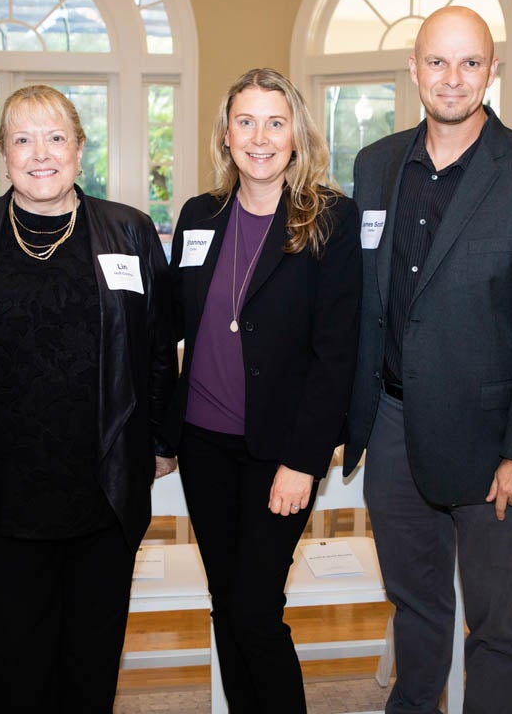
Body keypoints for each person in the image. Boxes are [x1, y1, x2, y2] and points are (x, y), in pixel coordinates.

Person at [344, 5, 512, 713]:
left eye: (470, 62)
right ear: (414, 68)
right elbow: (364, 299)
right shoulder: (375, 164)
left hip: (491, 446)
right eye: (438, 62)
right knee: (415, 612)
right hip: (391, 428)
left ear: (493, 69)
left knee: (496, 626)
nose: (453, 79)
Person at [0, 84, 177, 712]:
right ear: (2, 153)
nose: (41, 153)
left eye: (56, 136)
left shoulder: (131, 231)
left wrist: (163, 443)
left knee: (90, 671)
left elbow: (157, 347)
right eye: (23, 138)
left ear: (81, 149)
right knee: (14, 674)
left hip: (102, 496)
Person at [162, 68, 361, 713]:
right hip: (205, 444)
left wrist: (303, 461)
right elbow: (169, 327)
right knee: (228, 604)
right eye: (245, 121)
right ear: (225, 135)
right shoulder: (200, 215)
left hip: (280, 451)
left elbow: (337, 356)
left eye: (275, 122)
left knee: (254, 608)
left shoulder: (329, 219)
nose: (260, 137)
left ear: (297, 135)